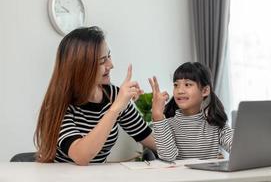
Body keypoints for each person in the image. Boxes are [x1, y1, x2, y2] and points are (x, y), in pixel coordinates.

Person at [34, 26, 156, 165]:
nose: (111, 65)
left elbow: (155, 143)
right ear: (81, 67)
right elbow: (82, 156)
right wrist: (115, 109)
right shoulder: (58, 104)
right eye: (102, 61)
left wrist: (158, 116)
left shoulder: (114, 95)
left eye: (109, 56)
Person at [148, 62, 233, 162]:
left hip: (209, 177)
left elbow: (238, 148)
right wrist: (158, 116)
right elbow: (168, 156)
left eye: (187, 84)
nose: (179, 91)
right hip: (179, 177)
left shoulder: (216, 124)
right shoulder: (167, 125)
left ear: (205, 90)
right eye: (176, 85)